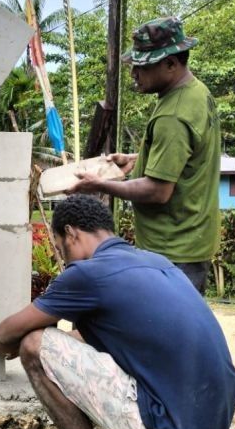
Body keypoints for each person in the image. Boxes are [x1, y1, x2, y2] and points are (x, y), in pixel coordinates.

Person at [0, 195, 235, 429]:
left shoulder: (87, 273)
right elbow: (93, 339)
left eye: (61, 249)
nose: (65, 261)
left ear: (71, 234)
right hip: (210, 427)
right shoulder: (157, 262)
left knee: (33, 344)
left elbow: (8, 333)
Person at [68, 16, 220, 294]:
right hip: (192, 238)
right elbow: (187, 157)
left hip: (173, 248)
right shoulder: (195, 93)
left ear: (171, 64)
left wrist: (99, 184)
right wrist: (137, 160)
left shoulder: (174, 114)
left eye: (142, 66)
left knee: (166, 332)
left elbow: (158, 190)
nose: (134, 74)